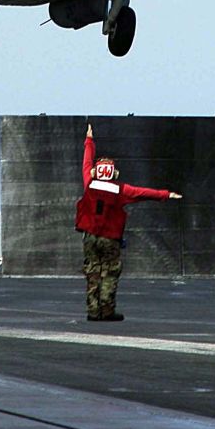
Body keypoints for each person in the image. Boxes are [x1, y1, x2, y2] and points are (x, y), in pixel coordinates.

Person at [75, 122, 182, 322]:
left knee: (92, 272)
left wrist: (89, 140)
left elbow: (86, 162)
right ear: (113, 173)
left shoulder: (89, 184)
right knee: (110, 272)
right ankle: (107, 310)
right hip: (110, 238)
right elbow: (144, 192)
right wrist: (167, 194)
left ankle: (92, 310)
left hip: (89, 236)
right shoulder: (120, 190)